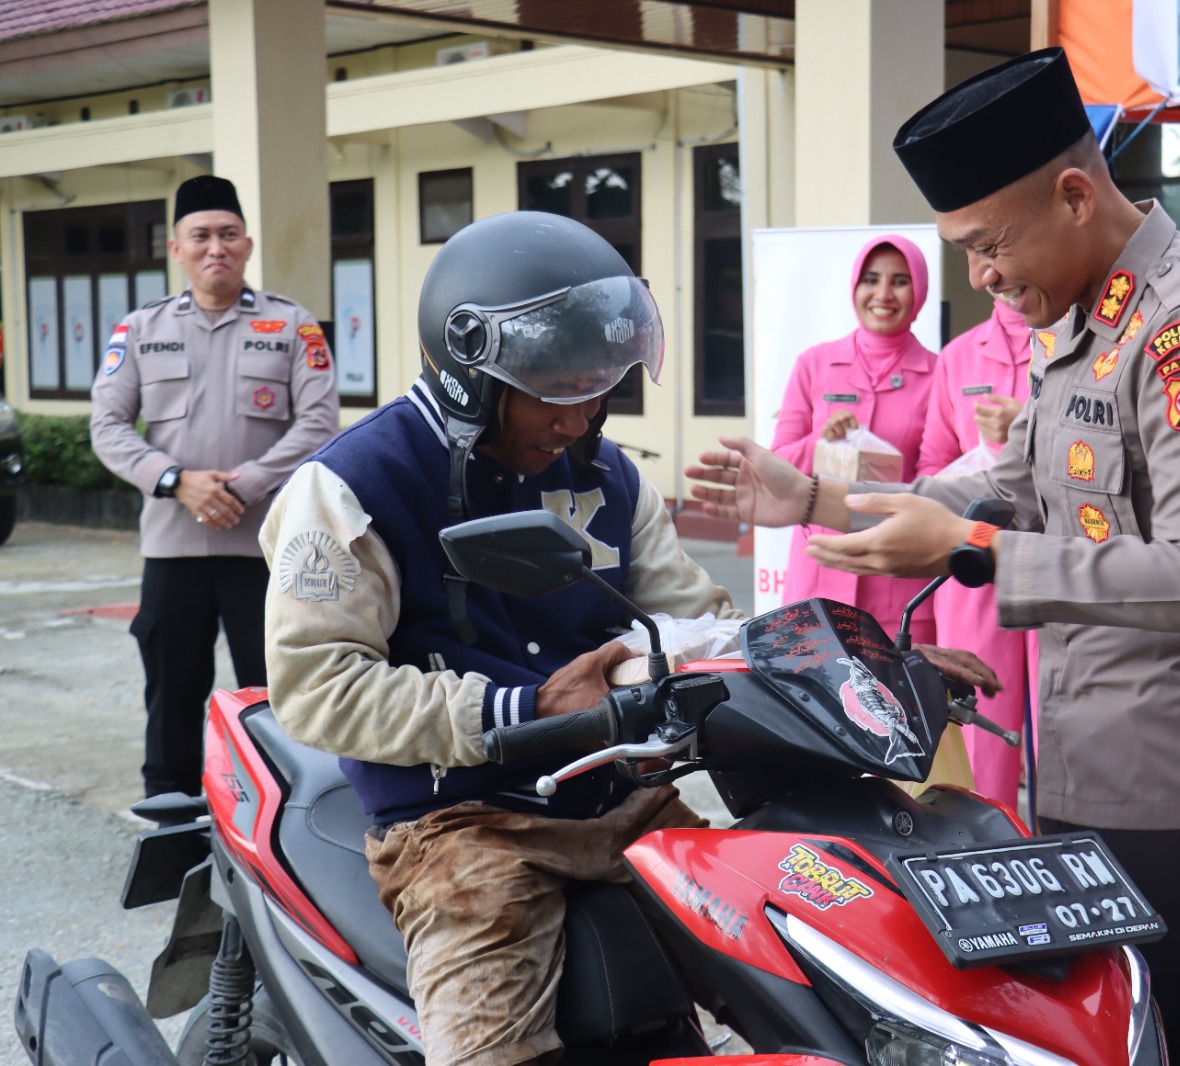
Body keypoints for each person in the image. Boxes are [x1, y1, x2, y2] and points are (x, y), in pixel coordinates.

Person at [687, 46, 1180, 1065]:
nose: (981, 278)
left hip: (1176, 777)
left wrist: (976, 549)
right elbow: (1007, 476)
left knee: (1178, 1031)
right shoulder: (1091, 315)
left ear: (1073, 196)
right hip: (1091, 756)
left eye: (988, 246)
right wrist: (814, 497)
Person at [257, 211, 747, 1066]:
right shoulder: (349, 485)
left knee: (800, 959)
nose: (579, 416)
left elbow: (695, 620)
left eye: (598, 385)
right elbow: (318, 687)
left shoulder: (611, 476)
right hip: (459, 827)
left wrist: (841, 660)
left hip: (622, 801)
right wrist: (527, 707)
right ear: (470, 376)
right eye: (555, 388)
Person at [90, 175, 339, 798]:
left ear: (247, 245)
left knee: (277, 698)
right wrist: (176, 481)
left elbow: (319, 423)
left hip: (265, 551)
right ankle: (171, 827)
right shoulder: (141, 329)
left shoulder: (292, 325)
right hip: (173, 551)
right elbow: (107, 425)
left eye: (228, 234)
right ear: (176, 249)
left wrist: (246, 484)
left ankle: (284, 824)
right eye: (199, 236)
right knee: (171, 697)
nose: (215, 248)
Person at [771, 234, 939, 643]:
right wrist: (819, 443)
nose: (884, 294)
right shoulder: (814, 364)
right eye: (871, 279)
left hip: (898, 577)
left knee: (898, 685)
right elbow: (777, 467)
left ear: (919, 290)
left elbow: (939, 481)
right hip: (819, 573)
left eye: (900, 281)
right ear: (855, 286)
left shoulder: (939, 374)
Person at [917, 298, 1037, 802]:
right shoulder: (959, 356)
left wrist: (1028, 429)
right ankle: (987, 846)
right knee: (979, 738)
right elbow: (934, 462)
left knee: (1064, 738)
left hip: (1057, 558)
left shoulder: (1079, 347)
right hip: (976, 561)